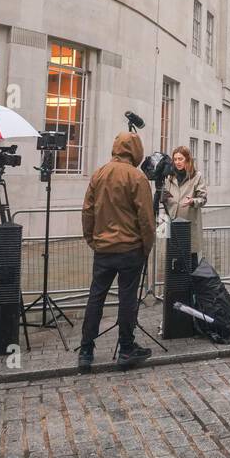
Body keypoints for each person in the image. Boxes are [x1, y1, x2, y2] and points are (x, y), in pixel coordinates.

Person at [77, 132, 156, 371]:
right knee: (127, 299)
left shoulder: (99, 173)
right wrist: (147, 246)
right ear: (135, 151)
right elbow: (146, 218)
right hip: (130, 248)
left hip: (103, 248)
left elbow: (87, 210)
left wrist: (92, 239)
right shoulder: (137, 177)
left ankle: (86, 350)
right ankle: (126, 348)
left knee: (96, 298)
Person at [162, 145, 207, 251]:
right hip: (172, 224)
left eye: (180, 159)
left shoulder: (197, 176)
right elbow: (165, 199)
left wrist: (193, 201)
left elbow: (203, 199)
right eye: (175, 159)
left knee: (190, 260)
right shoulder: (169, 177)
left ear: (187, 159)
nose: (177, 162)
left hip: (189, 224)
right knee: (173, 260)